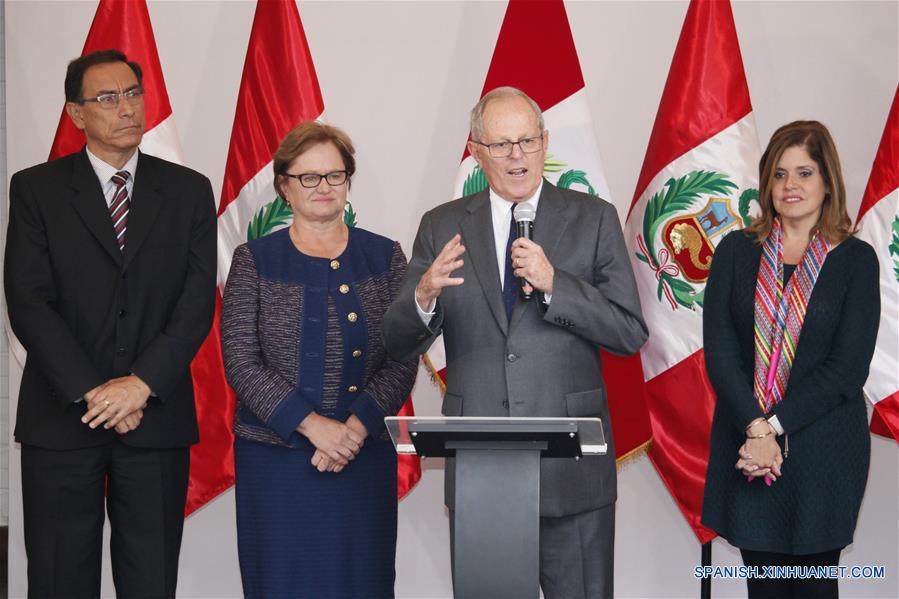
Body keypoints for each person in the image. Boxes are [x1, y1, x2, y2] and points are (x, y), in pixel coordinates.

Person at [382, 86, 647, 598]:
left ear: (545, 142)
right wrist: (423, 295)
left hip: (575, 474)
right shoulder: (441, 226)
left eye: (526, 140)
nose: (517, 155)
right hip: (484, 473)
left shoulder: (593, 218)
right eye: (501, 144)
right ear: (477, 151)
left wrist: (557, 285)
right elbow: (396, 342)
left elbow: (627, 333)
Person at [4, 49, 216, 598]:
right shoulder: (36, 190)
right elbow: (27, 301)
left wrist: (140, 385)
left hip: (155, 419)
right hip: (62, 415)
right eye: (107, 98)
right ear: (76, 114)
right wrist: (96, 393)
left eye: (133, 94)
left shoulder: (189, 190)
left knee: (150, 579)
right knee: (57, 577)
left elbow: (195, 305)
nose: (126, 108)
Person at [221, 121, 417, 598]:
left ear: (349, 180)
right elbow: (241, 361)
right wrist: (312, 426)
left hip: (362, 457)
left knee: (362, 583)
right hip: (277, 462)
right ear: (285, 186)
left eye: (335, 175)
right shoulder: (255, 259)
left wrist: (353, 429)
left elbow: (403, 354)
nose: (323, 187)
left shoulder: (385, 256)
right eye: (308, 177)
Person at [701, 120, 880, 599]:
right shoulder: (735, 252)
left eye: (804, 173)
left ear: (827, 181)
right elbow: (720, 354)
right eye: (779, 175)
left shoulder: (856, 260)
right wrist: (757, 431)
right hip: (749, 451)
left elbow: (847, 370)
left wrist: (772, 428)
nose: (790, 186)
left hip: (823, 454)